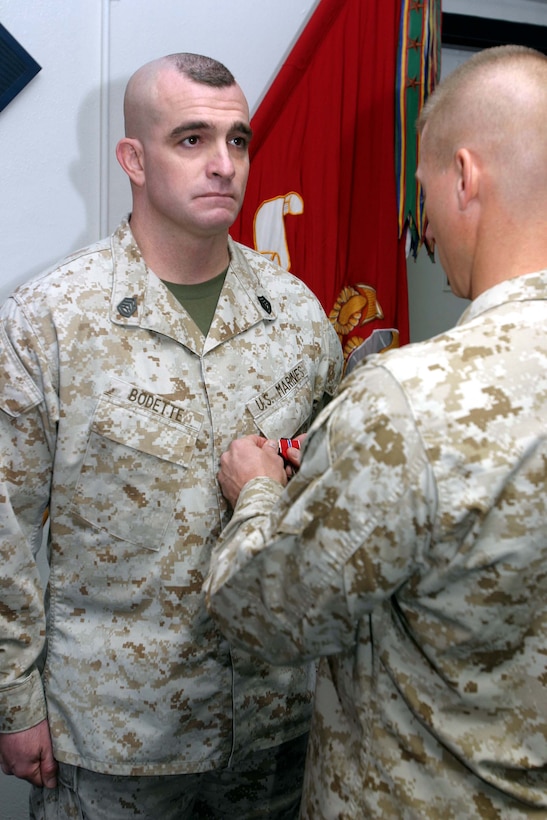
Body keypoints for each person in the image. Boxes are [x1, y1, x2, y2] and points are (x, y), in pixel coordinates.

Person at [205, 44, 547, 818]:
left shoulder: (408, 399)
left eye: (422, 192)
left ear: (463, 178)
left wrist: (257, 495)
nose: (422, 221)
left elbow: (266, 616)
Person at [0, 53, 343, 818]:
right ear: (133, 158)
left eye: (239, 140)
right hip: (121, 733)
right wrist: (13, 699)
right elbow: (6, 527)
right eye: (191, 139)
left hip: (273, 722)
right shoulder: (50, 319)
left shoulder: (293, 311)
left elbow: (330, 493)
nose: (224, 165)